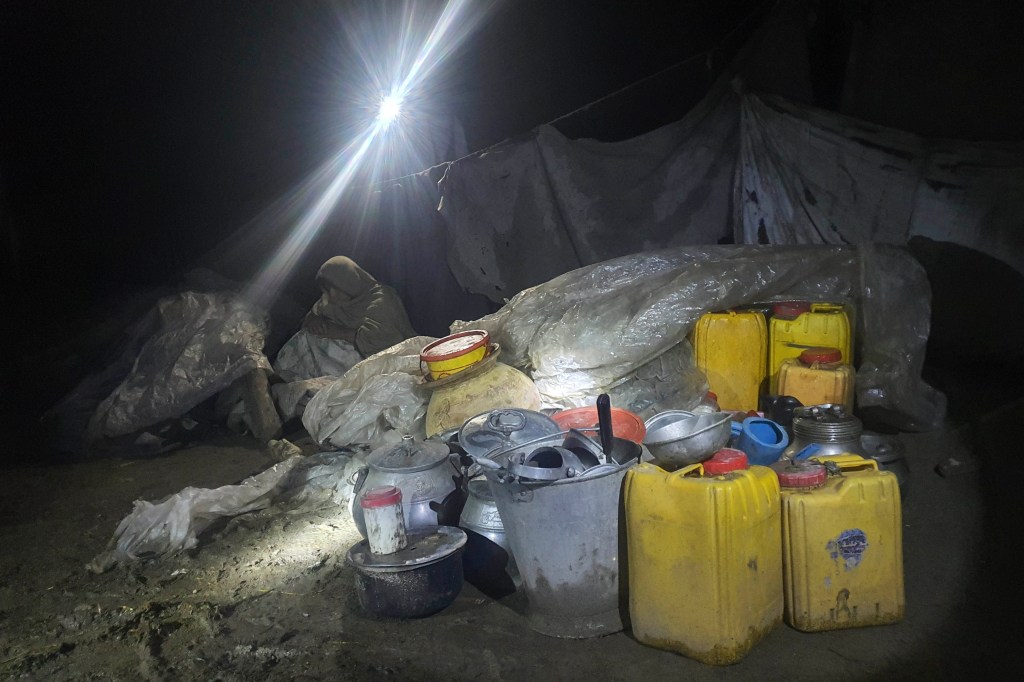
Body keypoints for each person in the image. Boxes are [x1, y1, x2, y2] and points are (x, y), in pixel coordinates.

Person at [302, 256, 416, 358]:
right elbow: (313, 314)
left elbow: (381, 341)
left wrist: (335, 331)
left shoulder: (382, 300)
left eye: (331, 289)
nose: (329, 296)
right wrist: (314, 320)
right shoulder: (334, 301)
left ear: (346, 283)